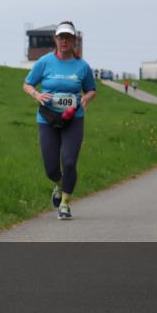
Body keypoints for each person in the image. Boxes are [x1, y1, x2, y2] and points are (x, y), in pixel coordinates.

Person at [22, 21, 97, 220]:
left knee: (70, 162)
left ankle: (65, 203)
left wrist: (85, 98)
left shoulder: (82, 66)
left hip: (74, 118)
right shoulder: (45, 62)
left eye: (68, 38)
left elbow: (91, 89)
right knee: (51, 167)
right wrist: (36, 95)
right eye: (61, 37)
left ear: (74, 41)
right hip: (47, 118)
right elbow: (27, 84)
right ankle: (58, 183)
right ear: (55, 39)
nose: (64, 41)